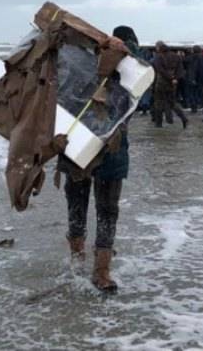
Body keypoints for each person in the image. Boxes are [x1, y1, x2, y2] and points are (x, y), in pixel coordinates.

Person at [57, 25, 138, 293]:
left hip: (104, 148)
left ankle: (97, 268)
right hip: (82, 146)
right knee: (95, 208)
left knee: (93, 207)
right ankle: (84, 264)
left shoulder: (110, 69)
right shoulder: (84, 65)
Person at [151, 42, 188, 128]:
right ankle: (183, 118)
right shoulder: (176, 56)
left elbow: (160, 70)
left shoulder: (158, 57)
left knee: (158, 103)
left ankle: (158, 124)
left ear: (159, 48)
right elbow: (180, 69)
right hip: (172, 83)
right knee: (172, 102)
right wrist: (175, 78)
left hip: (161, 82)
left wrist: (169, 77)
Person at [183, 45, 202, 113]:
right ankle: (198, 104)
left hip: (190, 77)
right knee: (197, 92)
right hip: (199, 78)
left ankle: (193, 107)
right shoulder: (202, 57)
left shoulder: (189, 57)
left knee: (191, 93)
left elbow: (183, 61)